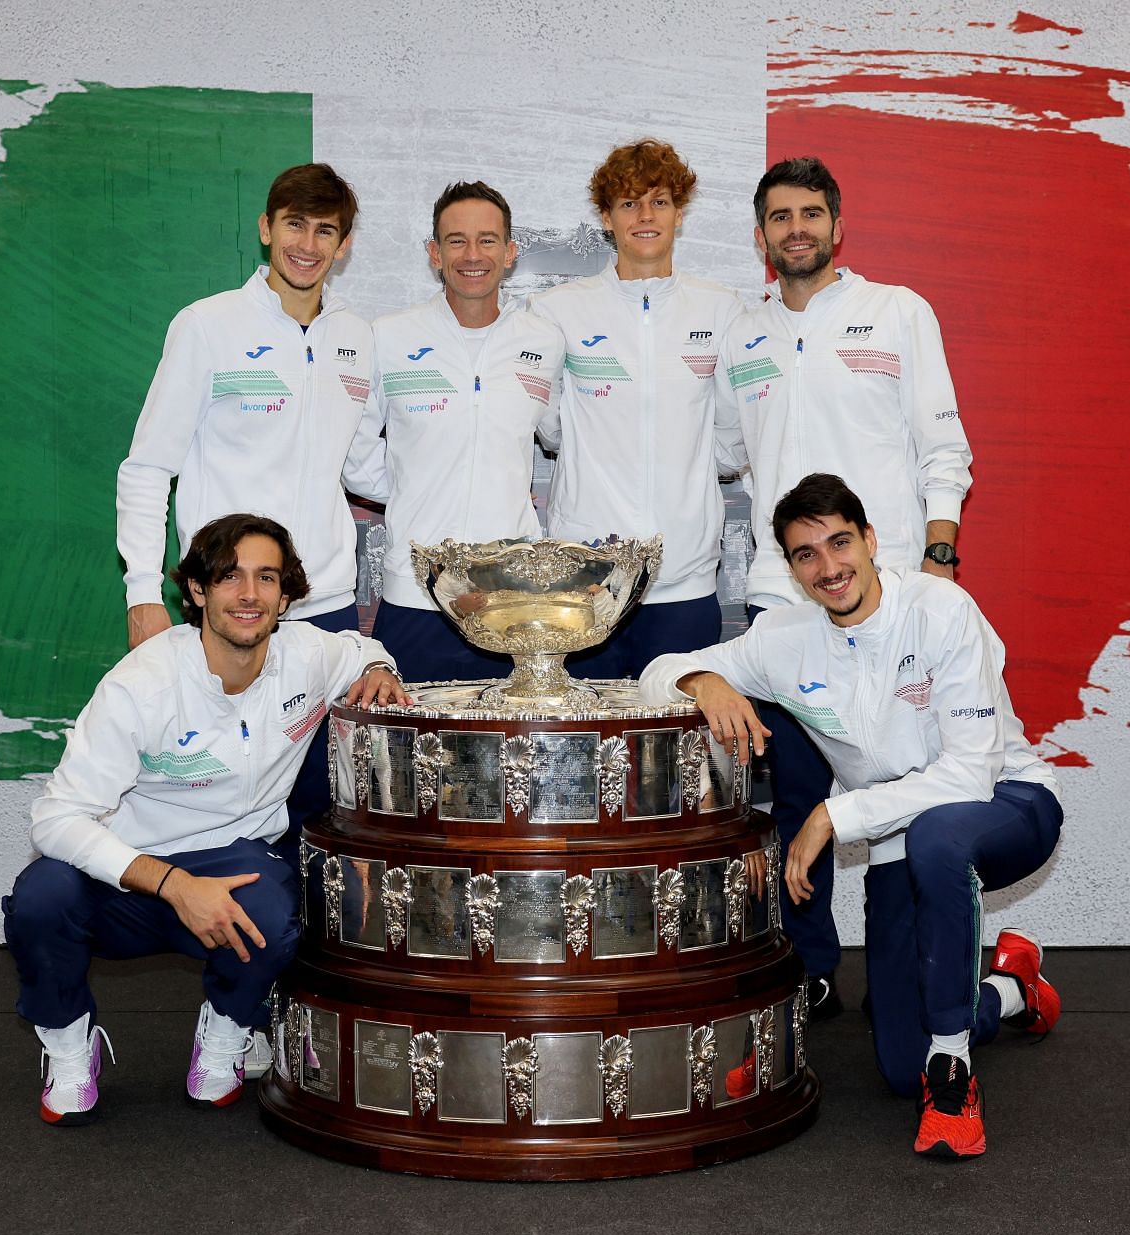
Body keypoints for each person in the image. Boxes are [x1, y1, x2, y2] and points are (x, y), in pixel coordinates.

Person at [638, 473, 1060, 1159]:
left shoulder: (939, 610)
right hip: (899, 838)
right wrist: (702, 680)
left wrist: (833, 815)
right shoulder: (784, 639)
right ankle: (1012, 989)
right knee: (898, 1067)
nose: (829, 567)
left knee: (939, 837)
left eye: (840, 543)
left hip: (1006, 801)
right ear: (791, 568)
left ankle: (952, 1076)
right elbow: (656, 671)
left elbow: (969, 772)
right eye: (807, 554)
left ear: (870, 540)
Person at [4, 513, 407, 1125]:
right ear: (197, 591)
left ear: (286, 592)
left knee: (274, 910)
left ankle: (224, 1034)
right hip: (131, 872)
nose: (249, 594)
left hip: (232, 858)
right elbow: (56, 820)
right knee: (38, 900)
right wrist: (173, 885)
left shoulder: (308, 655)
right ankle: (67, 1048)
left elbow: (363, 651)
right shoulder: (142, 685)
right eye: (229, 577)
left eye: (266, 577)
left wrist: (381, 671)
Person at [716, 157, 977, 1018]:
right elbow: (721, 454)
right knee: (794, 790)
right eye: (781, 216)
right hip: (781, 595)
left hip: (889, 590)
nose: (798, 228)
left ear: (837, 226)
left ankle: (919, 971)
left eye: (812, 213)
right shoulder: (740, 335)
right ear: (761, 237)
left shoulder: (896, 312)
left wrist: (937, 560)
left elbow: (944, 450)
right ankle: (813, 966)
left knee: (909, 780)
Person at [116, 162, 386, 840]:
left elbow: (365, 467)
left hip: (324, 608)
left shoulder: (356, 339)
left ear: (344, 244)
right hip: (229, 608)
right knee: (219, 798)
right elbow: (148, 467)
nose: (309, 244)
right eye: (295, 224)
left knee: (324, 809)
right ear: (267, 228)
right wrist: (142, 592)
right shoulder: (207, 326)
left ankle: (299, 945)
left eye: (326, 230)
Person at [528, 139, 745, 676]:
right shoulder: (557, 311)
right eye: (629, 204)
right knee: (586, 752)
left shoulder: (722, 310)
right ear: (606, 217)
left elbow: (730, 441)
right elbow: (550, 430)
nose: (645, 216)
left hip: (686, 581)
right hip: (586, 581)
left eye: (660, 201)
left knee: (679, 752)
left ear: (679, 212)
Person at [356, 180, 566, 680]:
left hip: (511, 603)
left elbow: (559, 438)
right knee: (407, 756)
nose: (473, 254)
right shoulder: (388, 336)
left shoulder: (545, 341)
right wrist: (415, 491)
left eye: (488, 240)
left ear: (511, 252)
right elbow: (355, 455)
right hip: (414, 597)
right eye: (456, 240)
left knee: (510, 758)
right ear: (434, 253)